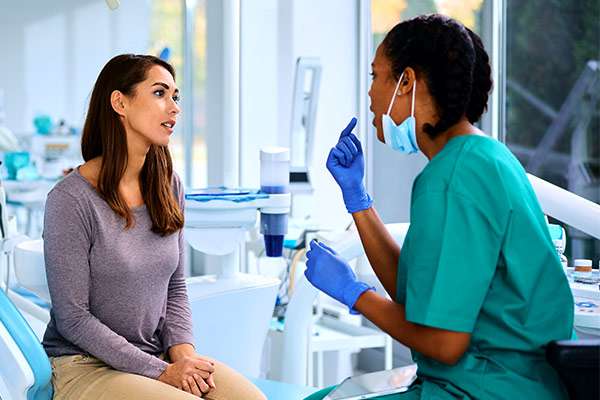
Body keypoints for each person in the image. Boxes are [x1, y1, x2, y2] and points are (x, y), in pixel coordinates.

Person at [304, 14, 573, 400]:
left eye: (375, 76)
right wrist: (356, 199)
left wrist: (354, 293)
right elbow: (417, 294)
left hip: (486, 390)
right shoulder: (483, 158)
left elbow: (444, 341)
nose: (370, 95)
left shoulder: (453, 180)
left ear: (407, 82)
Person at [42, 54, 266, 400]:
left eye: (175, 97)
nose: (174, 108)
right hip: (85, 366)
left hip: (155, 355)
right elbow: (73, 318)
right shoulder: (70, 200)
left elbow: (175, 287)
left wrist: (184, 358)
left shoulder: (168, 185)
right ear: (120, 102)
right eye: (160, 94)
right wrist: (163, 372)